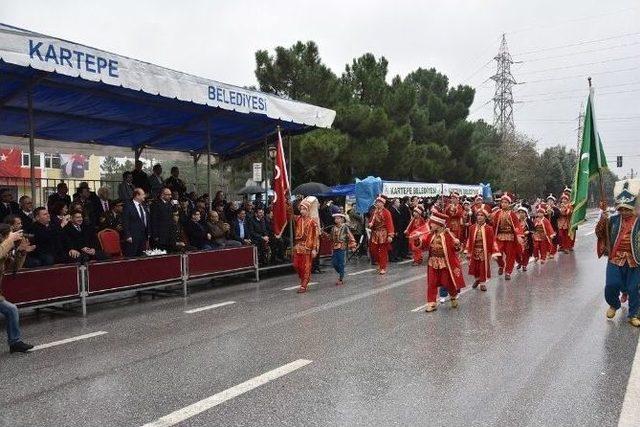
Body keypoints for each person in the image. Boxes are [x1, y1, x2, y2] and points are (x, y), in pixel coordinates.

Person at [595, 179, 640, 327]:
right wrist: (603, 218)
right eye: (622, 209)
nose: (625, 212)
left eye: (628, 209)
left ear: (633, 208)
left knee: (634, 288)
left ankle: (633, 314)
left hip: (635, 260)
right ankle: (614, 304)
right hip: (615, 259)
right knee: (611, 284)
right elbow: (599, 233)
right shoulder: (613, 220)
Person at [410, 210, 466, 313]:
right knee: (431, 283)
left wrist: (457, 244)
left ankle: (453, 296)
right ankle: (431, 303)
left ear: (439, 225)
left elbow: (456, 250)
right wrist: (417, 239)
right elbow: (424, 246)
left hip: (445, 263)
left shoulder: (449, 235)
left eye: (433, 223)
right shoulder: (431, 235)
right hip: (432, 262)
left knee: (447, 282)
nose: (430, 224)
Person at [0, 225, 35, 353]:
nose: (13, 237)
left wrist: (21, 252)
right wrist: (10, 240)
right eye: (10, 235)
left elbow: (14, 268)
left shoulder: (6, 249)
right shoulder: (4, 247)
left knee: (11, 309)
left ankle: (15, 342)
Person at [466, 206, 498, 291]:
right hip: (474, 250)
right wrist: (467, 251)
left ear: (485, 217)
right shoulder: (472, 228)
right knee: (475, 267)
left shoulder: (489, 229)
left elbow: (492, 241)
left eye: (482, 215)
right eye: (478, 215)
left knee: (482, 267)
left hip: (484, 251)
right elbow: (469, 239)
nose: (479, 217)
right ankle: (477, 279)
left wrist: (494, 253)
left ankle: (483, 283)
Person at [492, 194, 523, 280]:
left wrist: (519, 235)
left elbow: (517, 225)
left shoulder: (512, 214)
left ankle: (508, 272)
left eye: (506, 202)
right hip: (500, 237)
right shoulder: (497, 213)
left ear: (509, 204)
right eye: (502, 202)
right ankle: (501, 265)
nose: (504, 204)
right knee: (497, 253)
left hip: (510, 237)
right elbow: (494, 226)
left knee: (510, 255)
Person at [292, 196, 319, 293]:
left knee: (306, 267)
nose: (302, 211)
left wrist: (314, 249)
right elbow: (289, 213)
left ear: (308, 210)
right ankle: (303, 278)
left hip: (307, 247)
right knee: (296, 265)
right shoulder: (298, 219)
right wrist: (287, 201)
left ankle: (304, 284)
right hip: (298, 246)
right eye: (301, 209)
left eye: (304, 209)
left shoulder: (312, 222)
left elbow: (315, 236)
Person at [368, 195, 394, 275]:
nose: (377, 203)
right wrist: (370, 224)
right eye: (377, 202)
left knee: (383, 251)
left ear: (383, 203)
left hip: (383, 233)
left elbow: (390, 224)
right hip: (375, 233)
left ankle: (383, 267)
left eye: (379, 202)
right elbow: (371, 221)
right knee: (373, 250)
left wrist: (390, 235)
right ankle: (379, 263)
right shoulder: (374, 212)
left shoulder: (386, 212)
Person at [330, 213, 356, 286]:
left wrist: (353, 245)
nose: (337, 220)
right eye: (335, 218)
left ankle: (341, 278)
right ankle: (342, 272)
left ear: (342, 219)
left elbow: (350, 236)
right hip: (335, 247)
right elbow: (331, 238)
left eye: (338, 218)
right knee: (334, 263)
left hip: (342, 247)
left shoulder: (345, 227)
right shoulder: (333, 228)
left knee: (341, 263)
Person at [121, 188, 149, 257]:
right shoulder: (128, 206)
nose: (144, 196)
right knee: (132, 257)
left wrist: (148, 233)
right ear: (137, 195)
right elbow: (125, 221)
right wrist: (128, 235)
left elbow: (146, 220)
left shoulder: (144, 206)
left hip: (143, 237)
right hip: (132, 237)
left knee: (142, 257)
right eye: (143, 194)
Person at [516, 206, 534, 272]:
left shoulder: (528, 221)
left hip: (526, 240)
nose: (521, 214)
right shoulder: (516, 221)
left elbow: (533, 228)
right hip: (517, 240)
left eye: (522, 212)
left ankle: (524, 265)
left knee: (526, 253)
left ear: (526, 213)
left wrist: (528, 231)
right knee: (517, 253)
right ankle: (519, 262)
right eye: (519, 212)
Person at [545, 194, 561, 258]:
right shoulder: (544, 209)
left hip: (553, 227)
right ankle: (548, 252)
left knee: (554, 240)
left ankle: (552, 253)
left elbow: (558, 215)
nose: (550, 202)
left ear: (554, 202)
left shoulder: (555, 209)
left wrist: (552, 212)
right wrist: (546, 213)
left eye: (551, 201)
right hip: (546, 227)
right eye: (548, 201)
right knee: (547, 240)